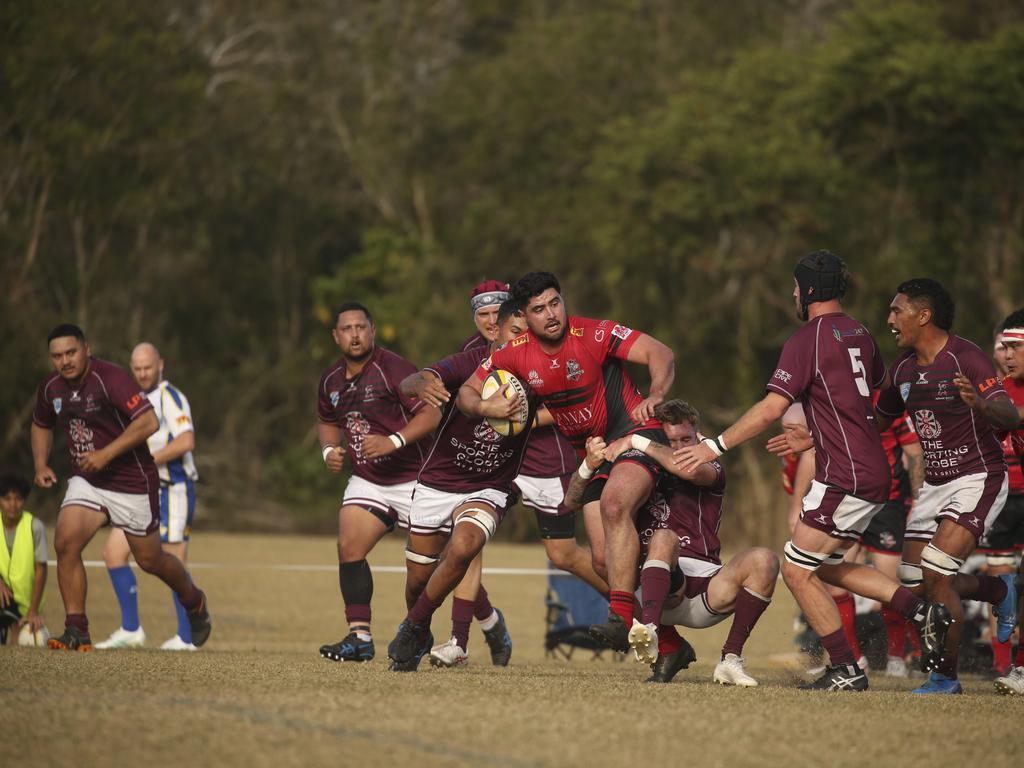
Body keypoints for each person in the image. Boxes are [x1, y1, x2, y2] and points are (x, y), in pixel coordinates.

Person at [678, 251, 949, 692]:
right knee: (827, 567)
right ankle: (921, 611)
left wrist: (715, 445)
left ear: (807, 290)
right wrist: (819, 436)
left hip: (846, 476)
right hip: (873, 470)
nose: (792, 294)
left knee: (795, 568)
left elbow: (771, 408)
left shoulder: (809, 337)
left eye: (794, 287)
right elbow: (872, 401)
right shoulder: (860, 332)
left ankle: (846, 668)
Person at [457, 271, 675, 651]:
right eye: (539, 309)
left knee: (613, 505)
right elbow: (467, 392)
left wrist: (655, 394)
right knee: (604, 563)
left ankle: (622, 620)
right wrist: (484, 406)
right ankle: (671, 639)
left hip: (636, 436)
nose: (551, 314)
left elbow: (661, 353)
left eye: (555, 303)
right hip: (593, 457)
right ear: (525, 316)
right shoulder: (513, 353)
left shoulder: (594, 333)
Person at [874, 279, 1019, 694]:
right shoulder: (902, 368)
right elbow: (878, 421)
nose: (889, 319)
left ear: (924, 316)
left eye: (896, 311)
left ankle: (944, 676)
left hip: (979, 477)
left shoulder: (966, 356)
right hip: (936, 485)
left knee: (937, 572)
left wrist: (980, 403)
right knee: (914, 581)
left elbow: (1010, 416)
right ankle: (998, 589)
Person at [31, 324, 211, 651]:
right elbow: (41, 422)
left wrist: (106, 454)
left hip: (133, 482)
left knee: (151, 559)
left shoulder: (110, 379)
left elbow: (149, 422)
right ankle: (77, 628)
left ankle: (194, 600)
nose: (64, 361)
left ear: (86, 349)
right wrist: (41, 463)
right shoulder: (52, 388)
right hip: (89, 480)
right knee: (66, 542)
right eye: (57, 356)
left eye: (70, 352)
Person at [582, 400, 780, 686]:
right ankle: (650, 631)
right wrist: (588, 465)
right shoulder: (640, 470)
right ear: (661, 438)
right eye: (671, 441)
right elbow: (575, 500)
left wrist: (636, 440)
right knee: (661, 538)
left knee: (765, 559)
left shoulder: (710, 462)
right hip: (653, 588)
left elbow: (689, 470)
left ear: (697, 435)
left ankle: (731, 659)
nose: (679, 447)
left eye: (686, 439)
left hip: (706, 588)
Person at [390, 302, 541, 670]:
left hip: (489, 485)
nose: (522, 343)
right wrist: (420, 384)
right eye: (515, 334)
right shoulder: (467, 363)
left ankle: (417, 628)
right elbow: (411, 382)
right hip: (439, 482)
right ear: (496, 332)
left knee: (465, 545)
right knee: (418, 581)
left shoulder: (539, 374)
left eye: (528, 336)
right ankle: (421, 627)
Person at [316, 303, 441, 663]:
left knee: (423, 573)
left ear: (372, 330)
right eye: (347, 329)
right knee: (349, 546)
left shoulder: (393, 369)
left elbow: (432, 413)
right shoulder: (330, 380)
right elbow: (327, 418)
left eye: (361, 327)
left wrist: (394, 441)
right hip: (369, 481)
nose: (354, 334)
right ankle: (359, 637)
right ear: (336, 336)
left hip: (415, 479)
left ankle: (473, 622)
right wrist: (328, 451)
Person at [95, 343, 201, 650]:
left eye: (148, 367)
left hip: (174, 490)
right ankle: (131, 629)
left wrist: (148, 460)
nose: (142, 373)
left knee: (174, 561)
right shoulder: (131, 400)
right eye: (137, 368)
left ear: (161, 365)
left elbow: (186, 440)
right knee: (113, 554)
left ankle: (187, 636)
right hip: (140, 491)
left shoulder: (171, 397)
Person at [980, 321, 1024, 677]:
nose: (1007, 355)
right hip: (1006, 494)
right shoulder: (1000, 392)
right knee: (1004, 579)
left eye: (1015, 347)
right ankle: (1006, 667)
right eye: (1003, 347)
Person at [0, 474, 48, 645]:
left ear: (25, 501)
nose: (13, 504)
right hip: (3, 599)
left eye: (18, 499)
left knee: (23, 643)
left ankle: (16, 627)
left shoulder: (35, 527)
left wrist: (33, 611)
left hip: (26, 605)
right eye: (7, 498)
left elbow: (41, 569)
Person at [460, 280, 510, 352]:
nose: (492, 321)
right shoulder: (469, 348)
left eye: (497, 312)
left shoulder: (527, 340)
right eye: (484, 314)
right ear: (474, 318)